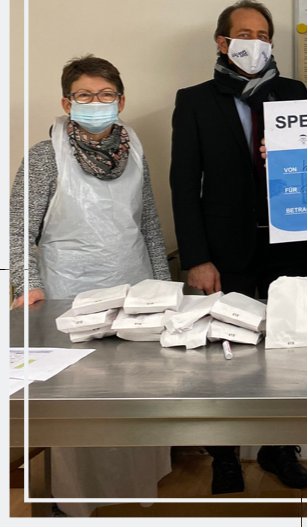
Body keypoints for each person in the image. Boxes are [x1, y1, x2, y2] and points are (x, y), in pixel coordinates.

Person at [9, 55, 172, 517]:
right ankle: (73, 499)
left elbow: (149, 224)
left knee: (135, 390)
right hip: (67, 292)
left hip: (133, 286)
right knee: (76, 399)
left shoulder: (134, 151)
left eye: (105, 95)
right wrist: (26, 284)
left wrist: (164, 287)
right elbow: (19, 229)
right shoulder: (45, 156)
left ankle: (133, 490)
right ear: (67, 102)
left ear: (121, 100)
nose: (95, 103)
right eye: (84, 95)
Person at [170, 0, 307, 495]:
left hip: (287, 246)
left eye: (263, 35)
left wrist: (290, 160)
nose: (255, 43)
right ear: (222, 42)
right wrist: (195, 258)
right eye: (244, 34)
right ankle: (225, 457)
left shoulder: (294, 94)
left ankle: (279, 449)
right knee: (224, 354)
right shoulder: (195, 100)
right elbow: (184, 185)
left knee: (287, 351)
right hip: (223, 251)